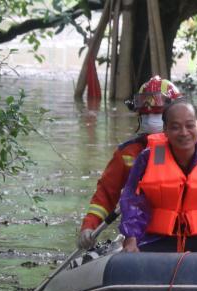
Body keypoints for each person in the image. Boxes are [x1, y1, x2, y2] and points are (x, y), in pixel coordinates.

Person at [119, 100, 197, 254]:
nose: (184, 132)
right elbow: (132, 199)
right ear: (165, 130)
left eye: (190, 125)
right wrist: (131, 237)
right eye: (175, 127)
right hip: (157, 239)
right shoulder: (147, 158)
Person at [77, 76, 182, 249]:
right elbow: (106, 193)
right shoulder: (128, 153)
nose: (151, 119)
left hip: (189, 236)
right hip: (144, 237)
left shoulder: (195, 149)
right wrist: (89, 226)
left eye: (157, 113)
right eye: (146, 114)